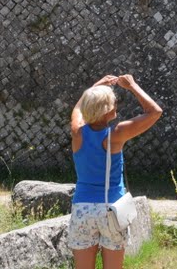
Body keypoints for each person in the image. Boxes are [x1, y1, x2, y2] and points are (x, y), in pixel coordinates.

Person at [69, 74, 163, 269]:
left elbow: (77, 108)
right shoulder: (117, 134)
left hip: (82, 209)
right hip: (111, 208)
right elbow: (155, 112)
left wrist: (95, 87)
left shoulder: (77, 132)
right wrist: (132, 86)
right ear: (109, 111)